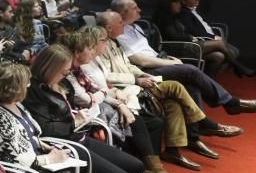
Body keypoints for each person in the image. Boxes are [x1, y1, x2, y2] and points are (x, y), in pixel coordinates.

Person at [93, 15, 239, 164]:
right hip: (126, 88)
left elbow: (128, 65)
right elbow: (107, 76)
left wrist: (142, 74)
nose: (123, 24)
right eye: (119, 22)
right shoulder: (98, 45)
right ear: (109, 28)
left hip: (138, 79)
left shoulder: (114, 41)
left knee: (176, 101)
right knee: (179, 82)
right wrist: (137, 79)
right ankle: (204, 122)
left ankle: (172, 151)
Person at [59, 31, 193, 173]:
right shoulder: (75, 70)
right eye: (90, 47)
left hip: (106, 101)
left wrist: (111, 94)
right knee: (135, 121)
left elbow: (98, 89)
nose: (96, 49)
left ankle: (153, 171)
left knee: (155, 121)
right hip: (90, 113)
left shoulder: (82, 66)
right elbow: (87, 98)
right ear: (78, 52)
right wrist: (116, 99)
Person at [109, 0, 256, 116]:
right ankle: (231, 103)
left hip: (158, 61)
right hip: (145, 71)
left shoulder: (135, 27)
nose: (139, 11)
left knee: (193, 85)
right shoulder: (120, 32)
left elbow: (149, 51)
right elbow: (140, 60)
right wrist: (168, 63)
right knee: (191, 71)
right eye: (135, 8)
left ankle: (196, 132)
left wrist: (168, 58)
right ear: (123, 12)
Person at [154, 0, 256, 77]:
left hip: (187, 45)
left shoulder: (174, 17)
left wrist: (190, 37)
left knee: (218, 56)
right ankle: (238, 67)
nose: (179, 5)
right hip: (176, 48)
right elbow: (173, 36)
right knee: (219, 44)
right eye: (176, 3)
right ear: (169, 5)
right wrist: (190, 37)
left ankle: (211, 81)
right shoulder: (165, 19)